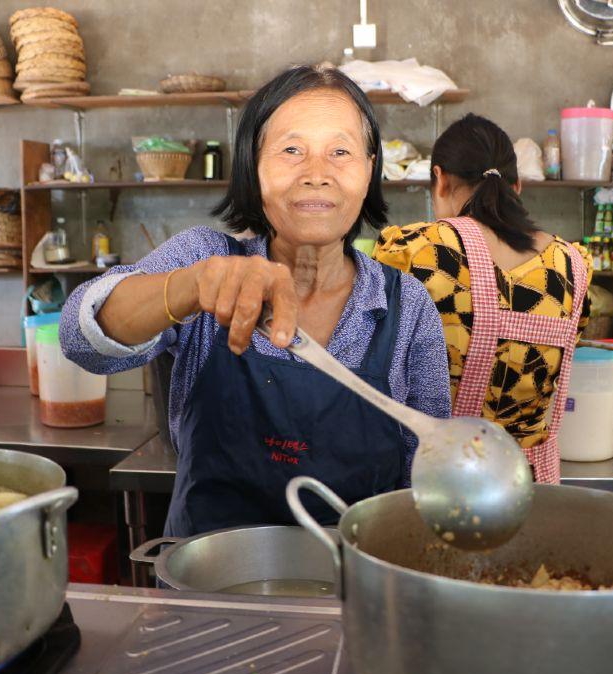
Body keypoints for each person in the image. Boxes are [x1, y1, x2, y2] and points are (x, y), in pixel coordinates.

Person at [60, 65, 450, 537]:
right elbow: (79, 338)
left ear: (369, 170)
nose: (317, 175)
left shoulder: (406, 305)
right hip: (209, 575)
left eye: (340, 152)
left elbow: (424, 475)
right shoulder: (205, 258)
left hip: (354, 575)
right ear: (254, 164)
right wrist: (192, 286)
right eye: (291, 150)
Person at [374, 114, 592, 484]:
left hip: (432, 484)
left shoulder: (413, 251)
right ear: (516, 186)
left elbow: (372, 355)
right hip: (528, 488)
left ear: (440, 179)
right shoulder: (572, 265)